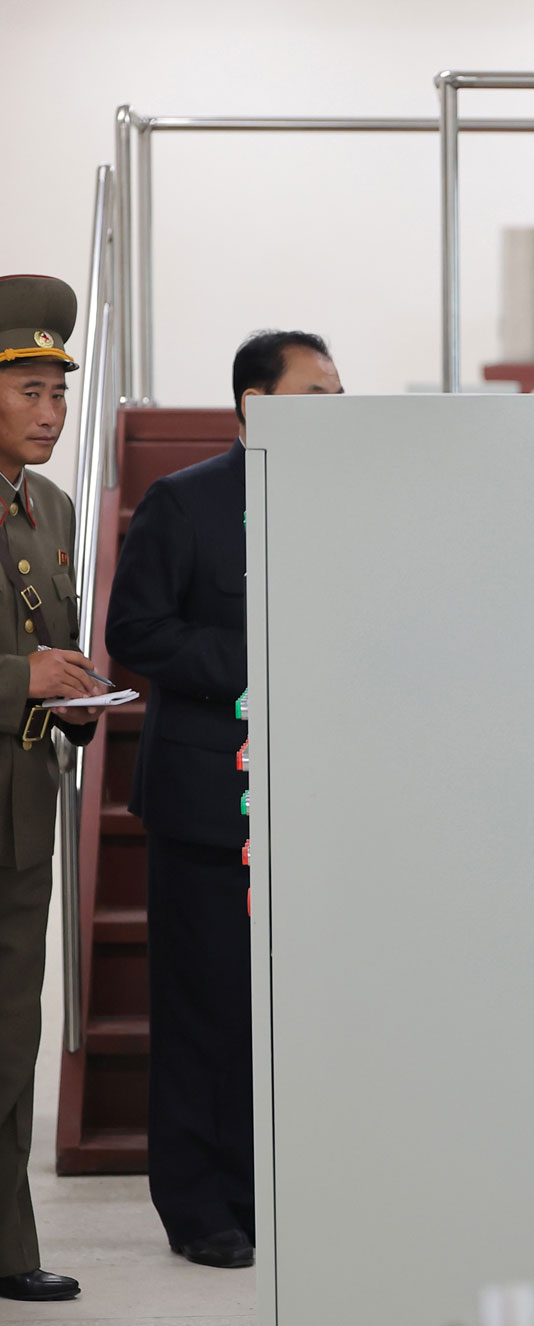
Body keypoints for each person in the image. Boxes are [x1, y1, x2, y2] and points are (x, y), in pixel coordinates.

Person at [105, 330, 342, 1271]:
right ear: (254, 403)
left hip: (321, 803)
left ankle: (272, 1192)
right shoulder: (187, 501)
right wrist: (263, 661)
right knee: (207, 1009)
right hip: (210, 803)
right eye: (314, 394)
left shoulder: (352, 506)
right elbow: (137, 633)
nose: (334, 410)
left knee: (290, 1013)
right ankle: (199, 1205)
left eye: (338, 393)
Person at [0, 275, 108, 1304]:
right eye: (29, 389)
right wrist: (19, 679)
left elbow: (50, 642)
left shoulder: (54, 505)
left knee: (12, 1041)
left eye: (58, 392)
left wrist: (73, 692)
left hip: (23, 811)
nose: (50, 411)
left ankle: (6, 1241)